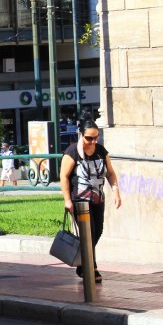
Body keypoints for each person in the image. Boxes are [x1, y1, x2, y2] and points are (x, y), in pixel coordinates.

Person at [59, 117, 122, 283]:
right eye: (89, 138)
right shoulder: (72, 152)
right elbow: (64, 176)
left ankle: (82, 264)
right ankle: (90, 267)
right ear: (81, 135)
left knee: (98, 231)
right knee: (89, 233)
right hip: (80, 200)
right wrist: (67, 200)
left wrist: (116, 192)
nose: (93, 141)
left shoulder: (101, 151)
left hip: (97, 199)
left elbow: (110, 173)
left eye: (96, 137)